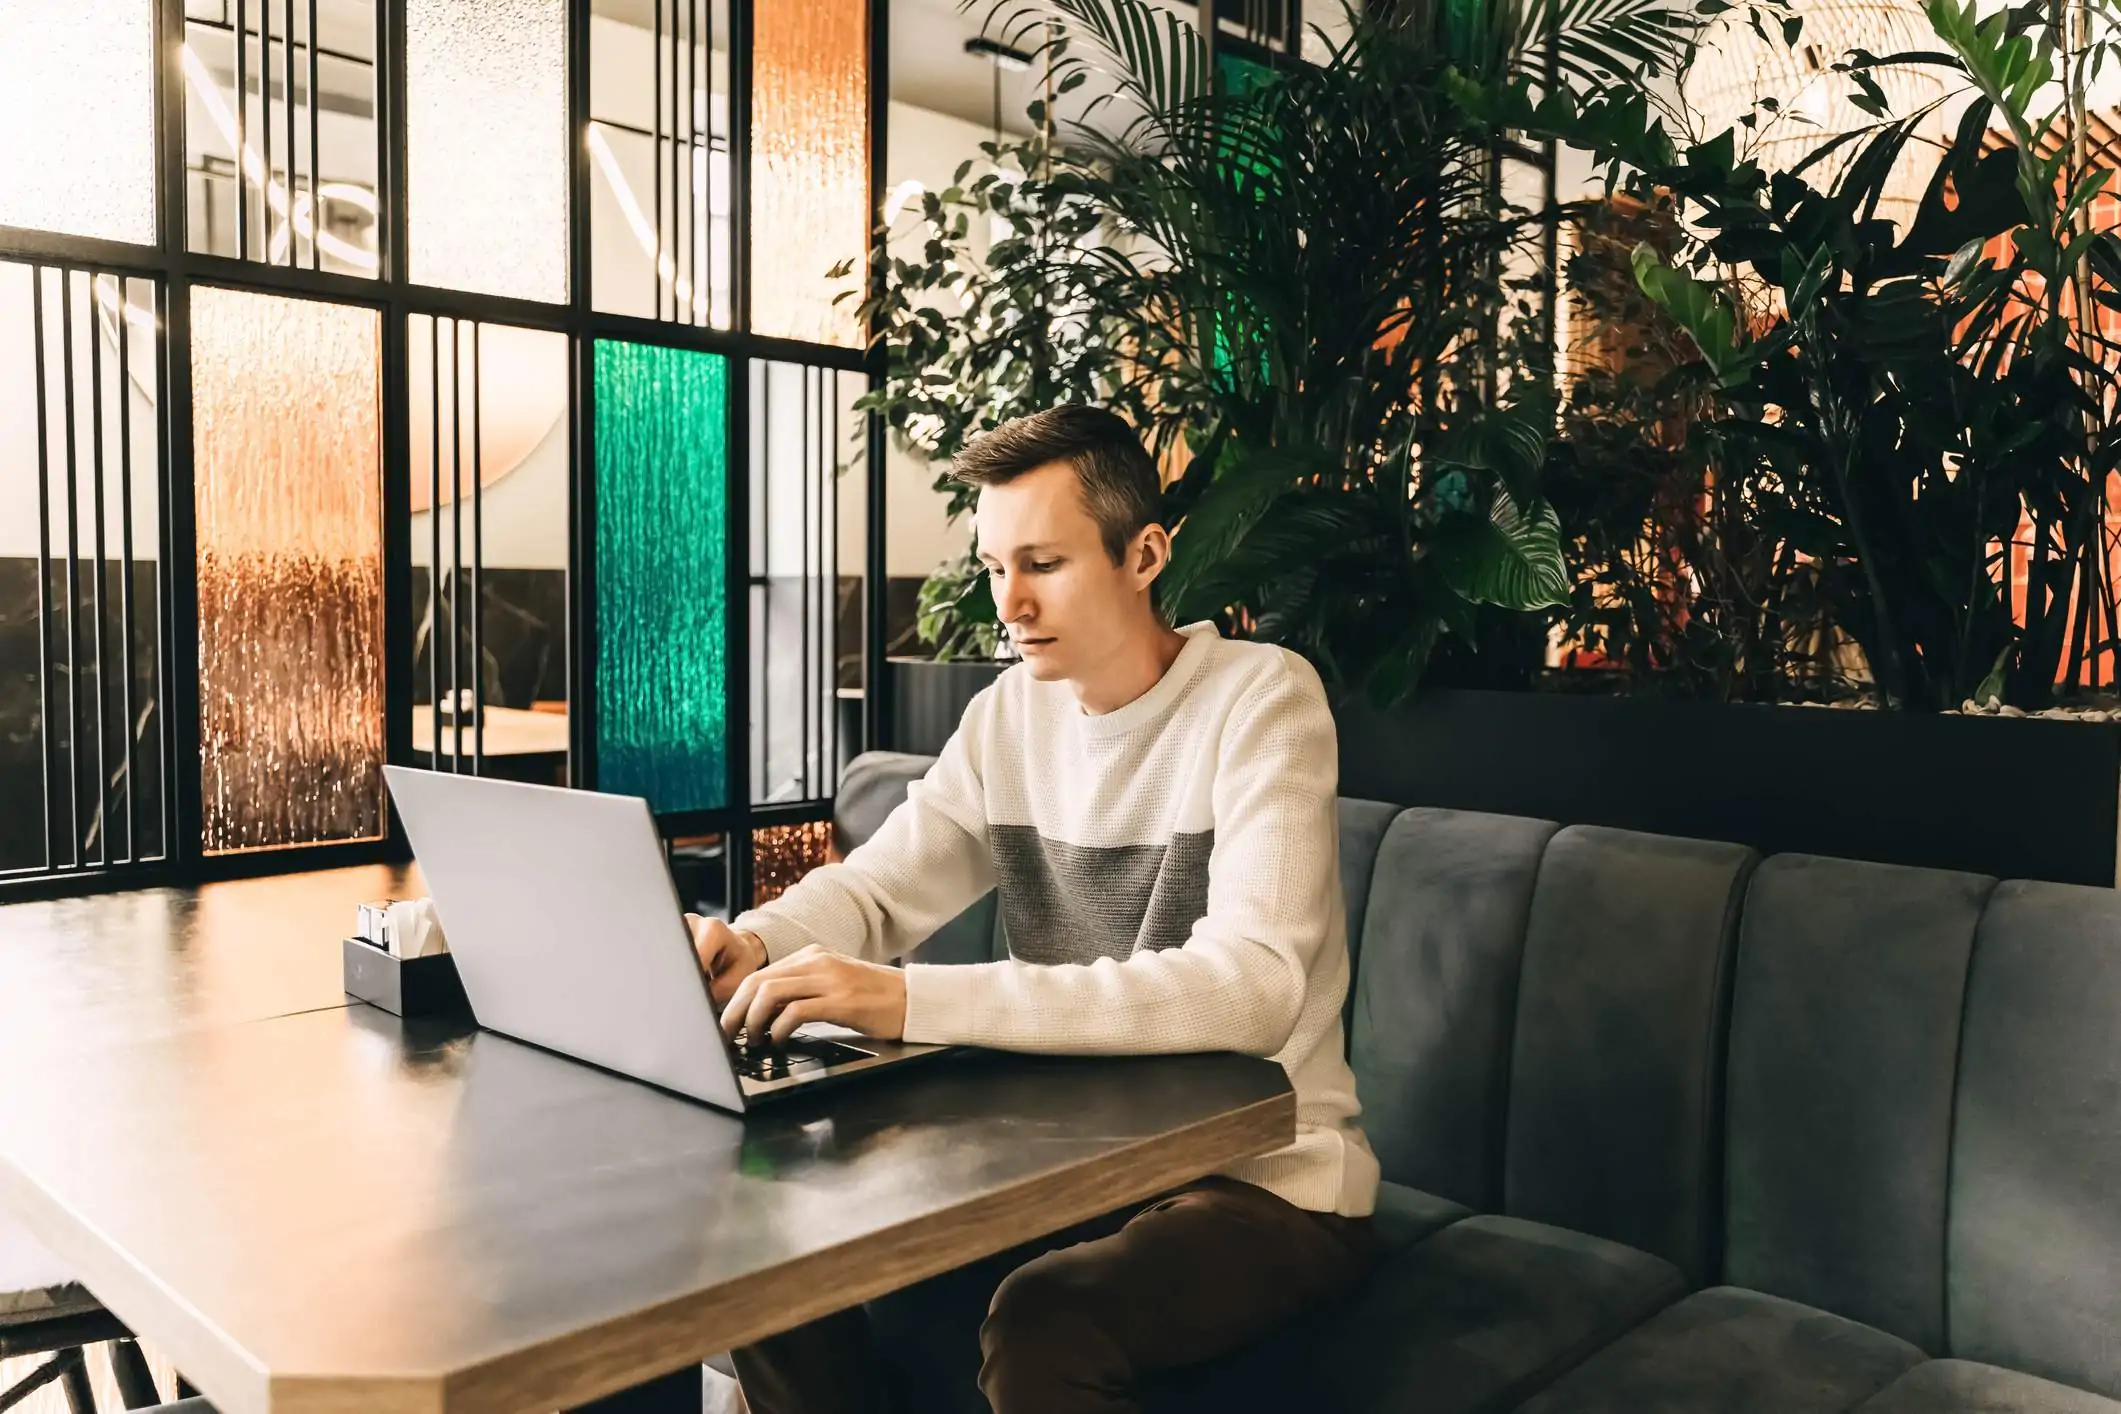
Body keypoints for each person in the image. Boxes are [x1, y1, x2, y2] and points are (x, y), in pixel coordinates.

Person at [690, 405, 1379, 1414]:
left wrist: (906, 998)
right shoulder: (1009, 715)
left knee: (1045, 1320)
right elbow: (880, 888)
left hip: (1267, 1178)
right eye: (994, 565)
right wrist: (752, 941)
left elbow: (1253, 989)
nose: (1009, 603)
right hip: (1076, 1169)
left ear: (1145, 554)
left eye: (1042, 564)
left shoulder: (1262, 699)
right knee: (764, 1244)